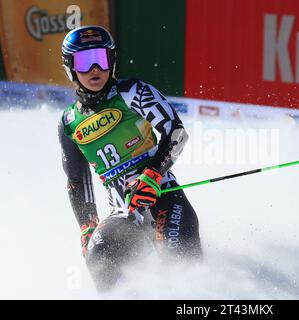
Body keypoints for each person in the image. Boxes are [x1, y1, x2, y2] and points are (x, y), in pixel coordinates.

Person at [58, 25, 202, 291]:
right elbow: (77, 180)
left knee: (177, 260)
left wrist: (153, 176)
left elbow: (176, 133)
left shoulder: (132, 91)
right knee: (98, 257)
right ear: (70, 67)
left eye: (101, 59)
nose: (94, 70)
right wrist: (87, 225)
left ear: (111, 60)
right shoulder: (69, 122)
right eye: (84, 62)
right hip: (123, 214)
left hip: (163, 195)